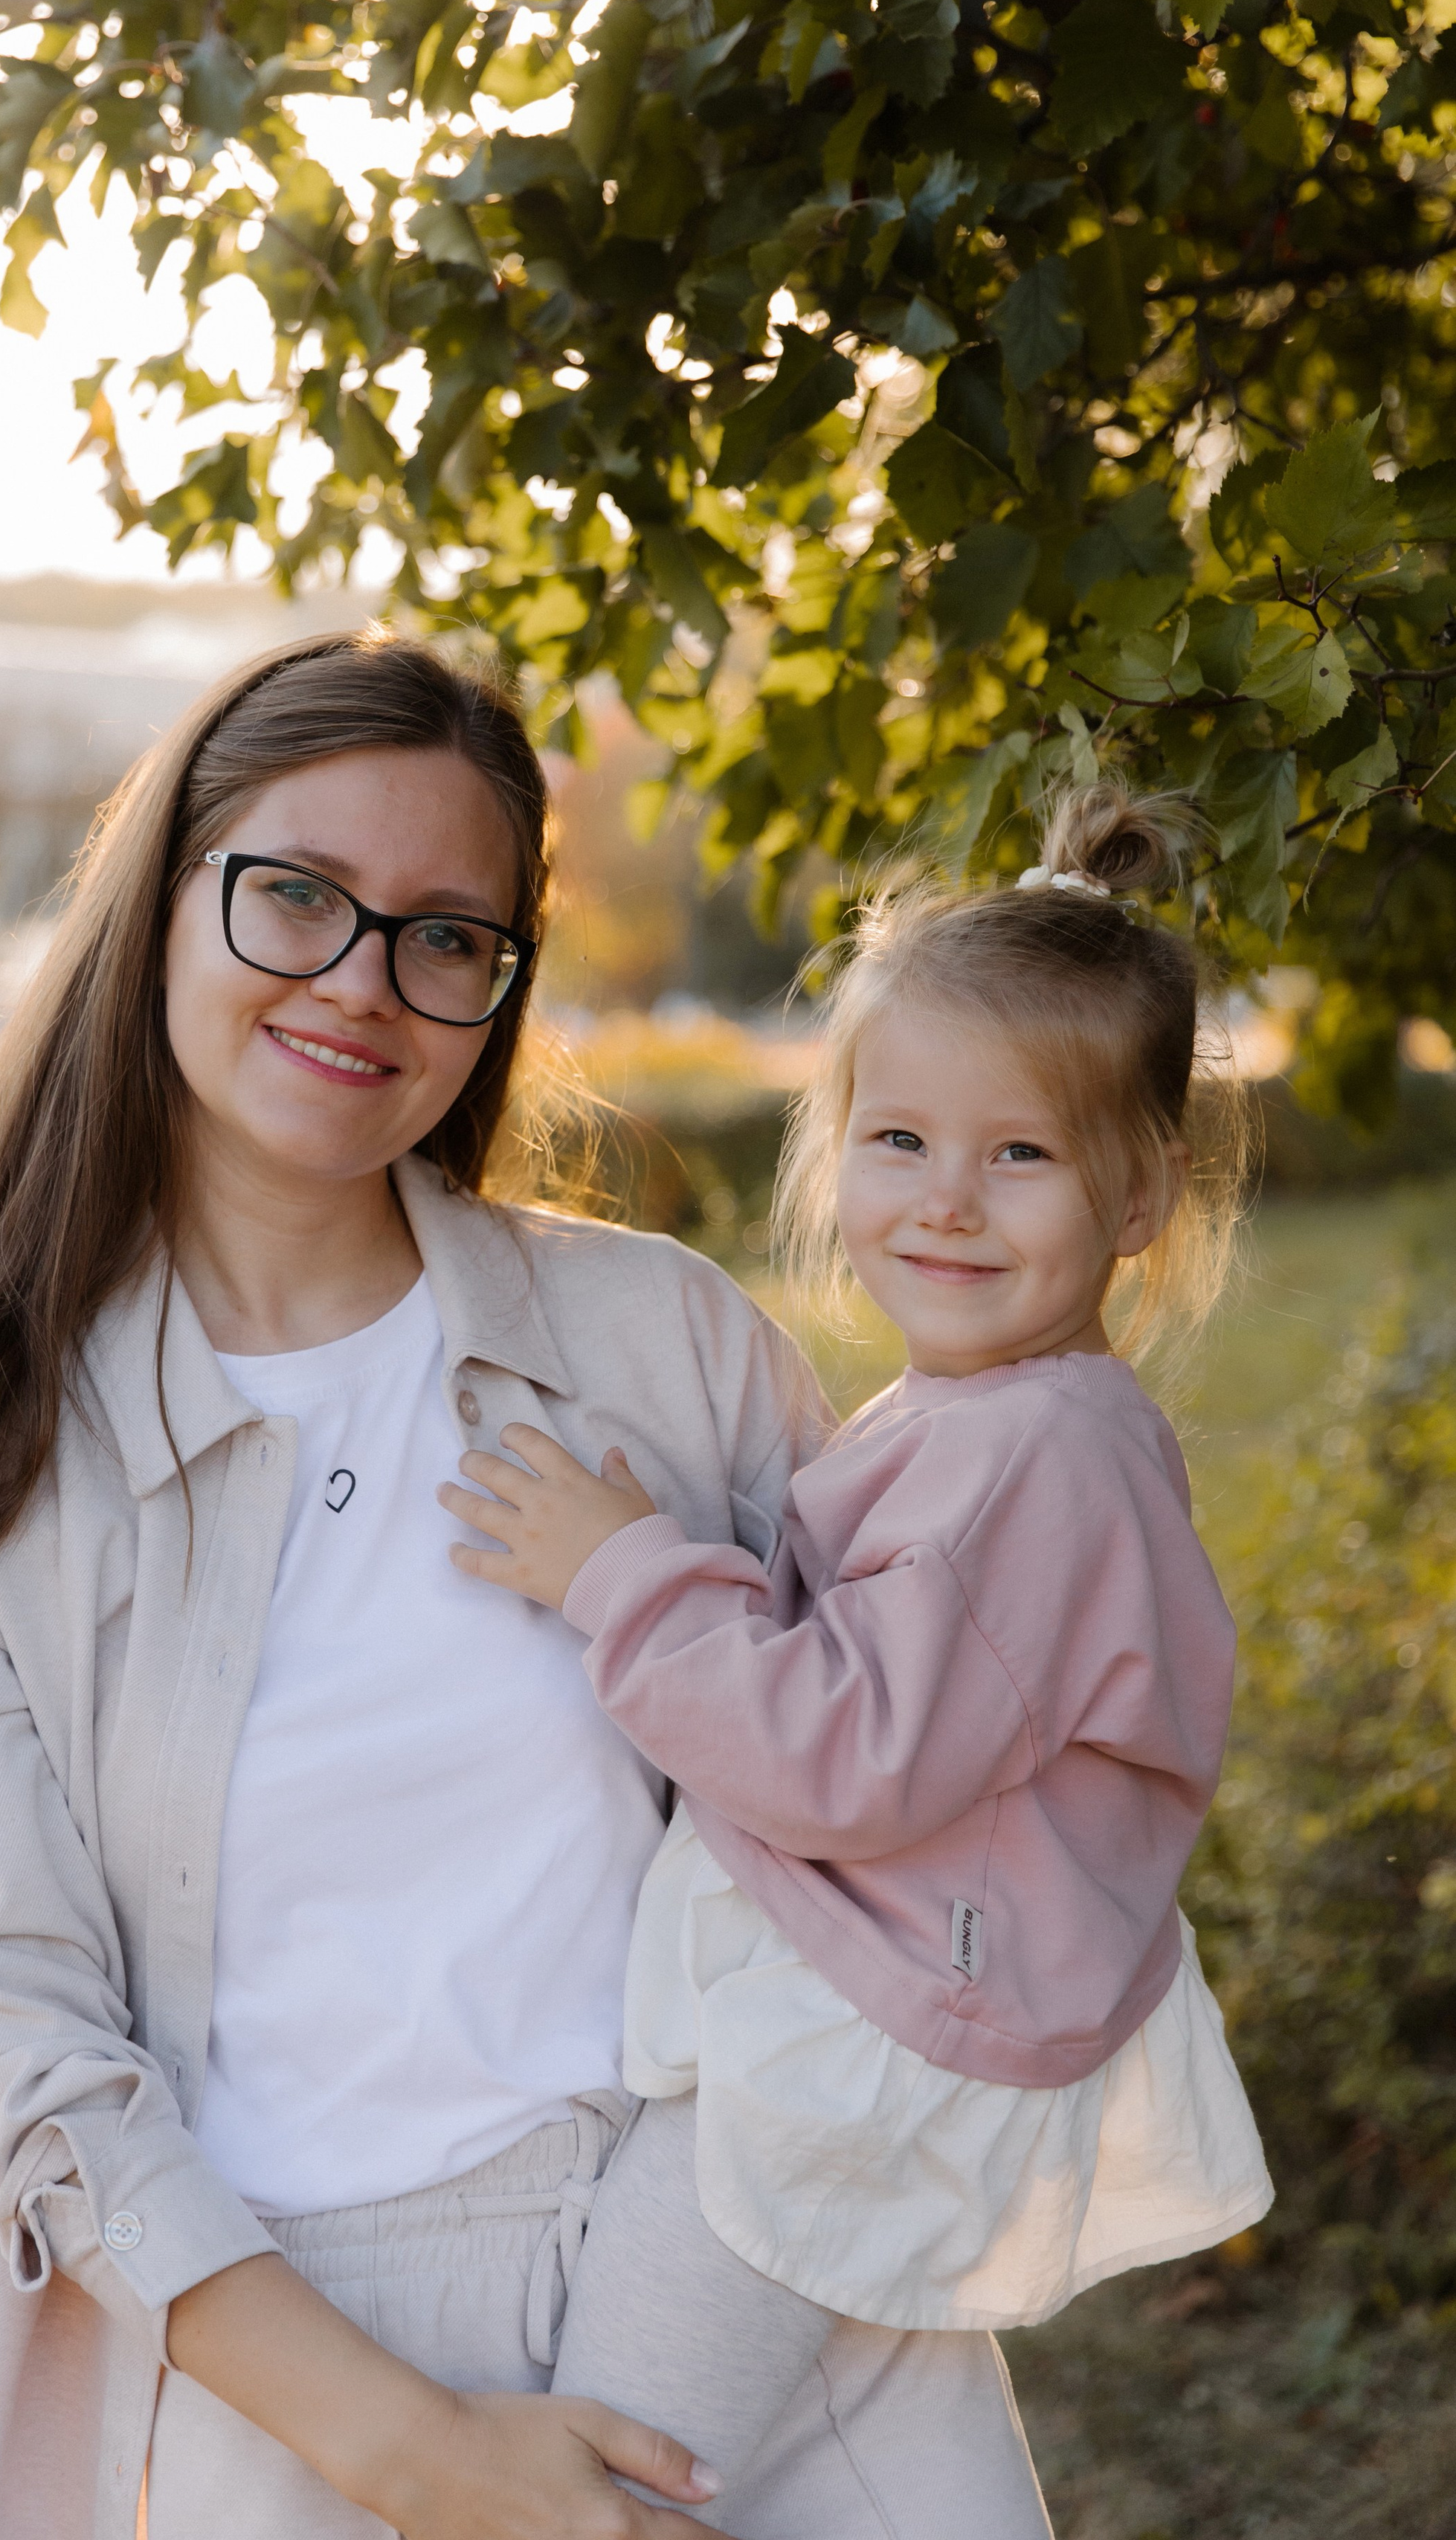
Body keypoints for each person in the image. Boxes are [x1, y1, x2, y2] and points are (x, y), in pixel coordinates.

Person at [0, 628, 1058, 2540]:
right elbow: (10, 2043)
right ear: (160, 900)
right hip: (278, 2391)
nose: (362, 984)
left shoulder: (662, 1347)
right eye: (296, 895)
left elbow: (899, 1787)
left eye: (445, 936)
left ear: (498, 987)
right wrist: (417, 2457)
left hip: (751, 2317)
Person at [444, 783, 1274, 2522]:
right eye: (898, 1139)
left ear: (1138, 1195)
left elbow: (845, 1755)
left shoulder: (1036, 1457)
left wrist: (621, 1576)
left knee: (611, 2477)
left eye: (1019, 1155)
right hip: (898, 2007)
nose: (946, 1202)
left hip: (868, 2043)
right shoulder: (998, 1417)